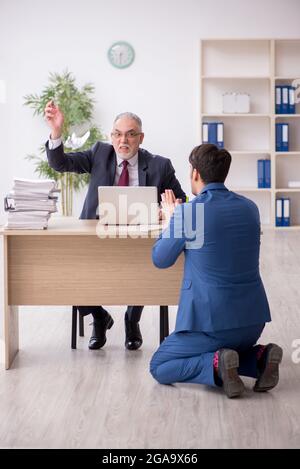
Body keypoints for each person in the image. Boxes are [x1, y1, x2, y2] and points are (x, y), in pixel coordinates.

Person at [44, 102, 186, 351]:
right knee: (70, 270)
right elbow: (61, 163)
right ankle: (99, 318)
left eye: (131, 134)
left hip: (139, 238)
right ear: (111, 137)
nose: (124, 140)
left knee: (144, 263)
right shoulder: (100, 153)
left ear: (140, 138)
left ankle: (132, 320)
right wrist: (56, 132)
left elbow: (181, 200)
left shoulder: (159, 165)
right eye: (118, 134)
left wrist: (168, 210)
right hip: (95, 233)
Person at [150, 143, 282, 398]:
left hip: (211, 326)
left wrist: (171, 219)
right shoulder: (250, 208)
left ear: (195, 173)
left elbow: (161, 258)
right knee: (228, 349)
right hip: (252, 322)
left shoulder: (190, 213)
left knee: (160, 366)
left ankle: (217, 364)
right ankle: (259, 358)